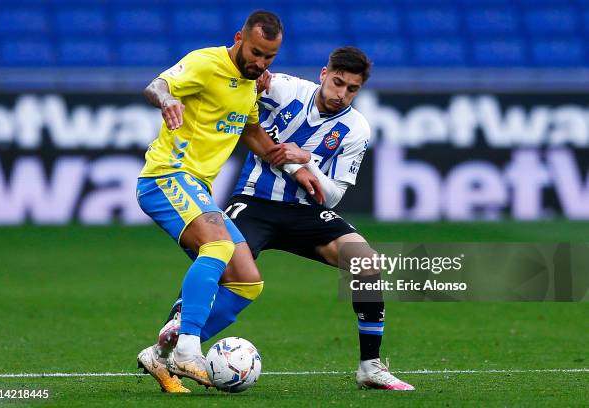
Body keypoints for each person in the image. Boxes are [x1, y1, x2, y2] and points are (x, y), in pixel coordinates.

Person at [158, 47, 415, 391]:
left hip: (305, 212)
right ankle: (170, 344)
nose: (341, 94)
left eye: (351, 89)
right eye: (337, 82)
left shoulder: (356, 128)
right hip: (254, 202)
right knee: (220, 258)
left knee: (366, 261)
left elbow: (335, 195)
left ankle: (370, 366)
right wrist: (254, 81)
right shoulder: (283, 88)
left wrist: (306, 161)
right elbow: (239, 95)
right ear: (324, 74)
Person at [135, 10, 322, 393]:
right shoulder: (206, 63)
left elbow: (251, 132)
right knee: (217, 244)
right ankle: (188, 349)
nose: (260, 63)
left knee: (246, 281)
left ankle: (160, 353)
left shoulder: (250, 84)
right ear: (239, 38)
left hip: (195, 186)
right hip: (165, 176)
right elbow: (155, 86)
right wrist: (168, 99)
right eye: (255, 53)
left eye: (269, 57)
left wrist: (293, 168)